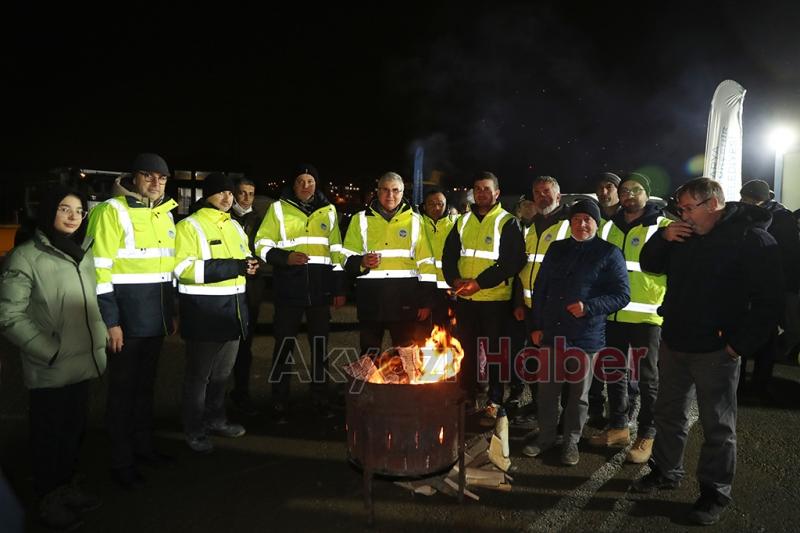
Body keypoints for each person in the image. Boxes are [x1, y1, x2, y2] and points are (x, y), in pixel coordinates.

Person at [632, 177, 783, 526]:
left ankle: (714, 493)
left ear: (713, 203)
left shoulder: (752, 239)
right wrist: (662, 237)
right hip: (675, 342)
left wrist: (737, 345)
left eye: (688, 208)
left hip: (716, 349)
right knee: (668, 413)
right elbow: (650, 264)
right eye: (680, 209)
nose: (681, 215)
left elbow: (770, 302)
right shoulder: (682, 234)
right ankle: (666, 471)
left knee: (718, 426)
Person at [0, 187, 107, 529]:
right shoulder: (26, 256)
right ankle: (49, 498)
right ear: (48, 213)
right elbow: (8, 315)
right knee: (49, 438)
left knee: (73, 432)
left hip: (82, 363)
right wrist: (49, 350)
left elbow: (91, 303)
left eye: (78, 210)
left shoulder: (83, 253)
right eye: (65, 209)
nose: (74, 216)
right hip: (51, 367)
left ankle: (67, 486)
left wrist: (101, 334)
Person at [86, 153, 178, 488]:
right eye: (148, 176)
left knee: (144, 390)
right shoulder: (111, 211)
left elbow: (167, 271)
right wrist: (111, 321)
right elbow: (100, 271)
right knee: (122, 394)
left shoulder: (164, 214)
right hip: (125, 323)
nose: (156, 184)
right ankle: (120, 463)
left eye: (162, 178)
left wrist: (171, 314)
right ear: (133, 178)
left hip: (154, 321)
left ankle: (144, 449)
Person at [521, 200, 630, 465]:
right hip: (552, 335)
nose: (582, 224)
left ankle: (571, 441)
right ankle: (546, 437)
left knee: (579, 396)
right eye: (577, 219)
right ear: (570, 223)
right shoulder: (557, 249)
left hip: (586, 336)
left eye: (588, 219)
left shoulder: (609, 253)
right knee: (547, 392)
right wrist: (536, 328)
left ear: (596, 223)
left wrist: (589, 307)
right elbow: (541, 289)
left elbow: (622, 295)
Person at [254, 164, 346, 424]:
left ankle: (320, 398)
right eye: (301, 181)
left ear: (317, 185)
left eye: (310, 181)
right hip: (289, 290)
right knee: (284, 348)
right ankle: (279, 401)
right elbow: (261, 244)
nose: (306, 186)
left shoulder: (329, 211)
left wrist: (338, 289)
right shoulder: (278, 209)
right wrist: (285, 258)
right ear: (293, 185)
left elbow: (337, 252)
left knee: (320, 350)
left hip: (319, 292)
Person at [174, 173, 258, 453]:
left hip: (232, 314)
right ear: (206, 195)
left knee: (222, 375)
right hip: (204, 315)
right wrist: (234, 266)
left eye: (230, 193)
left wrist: (249, 266)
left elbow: (242, 261)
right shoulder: (189, 226)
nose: (227, 197)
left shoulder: (234, 225)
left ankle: (216, 419)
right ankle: (194, 429)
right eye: (221, 192)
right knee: (198, 378)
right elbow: (183, 269)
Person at [590, 173, 671, 463]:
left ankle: (647, 434)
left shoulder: (664, 227)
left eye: (636, 190)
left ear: (647, 195)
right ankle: (619, 427)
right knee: (614, 372)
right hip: (612, 315)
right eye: (624, 191)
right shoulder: (609, 227)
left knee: (648, 379)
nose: (629, 194)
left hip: (648, 317)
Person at [442, 172, 526, 419]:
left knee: (494, 353)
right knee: (466, 349)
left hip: (494, 300)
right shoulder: (462, 221)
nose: (481, 193)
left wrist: (479, 283)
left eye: (487, 189)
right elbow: (448, 256)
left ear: (497, 193)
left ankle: (495, 399)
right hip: (466, 300)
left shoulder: (507, 222)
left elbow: (512, 261)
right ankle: (467, 394)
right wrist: (454, 280)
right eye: (477, 189)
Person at [342, 172, 437, 358]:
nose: (390, 195)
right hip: (371, 299)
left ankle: (402, 388)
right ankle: (370, 387)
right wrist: (361, 261)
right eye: (385, 190)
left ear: (403, 193)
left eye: (395, 190)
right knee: (369, 356)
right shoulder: (359, 219)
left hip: (404, 299)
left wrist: (426, 302)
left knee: (405, 354)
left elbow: (426, 263)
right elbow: (345, 257)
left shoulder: (415, 221)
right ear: (377, 191)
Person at [512, 176, 571, 414]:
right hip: (530, 308)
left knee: (562, 364)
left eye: (546, 191)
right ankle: (539, 406)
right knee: (535, 360)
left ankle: (563, 414)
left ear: (558, 196)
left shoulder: (569, 225)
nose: (541, 196)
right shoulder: (529, 227)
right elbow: (521, 268)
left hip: (558, 310)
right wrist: (518, 302)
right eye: (537, 192)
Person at [739, 178, 800, 401]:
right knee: (745, 329)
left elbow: (790, 256)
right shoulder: (747, 214)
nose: (744, 202)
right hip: (748, 285)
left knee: (767, 334)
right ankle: (741, 383)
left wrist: (787, 288)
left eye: (747, 199)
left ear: (758, 199)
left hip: (773, 286)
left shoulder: (782, 219)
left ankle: (760, 383)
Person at [229, 177, 268, 415]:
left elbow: (265, 250)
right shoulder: (225, 218)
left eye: (250, 193)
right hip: (227, 286)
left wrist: (259, 264)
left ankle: (241, 392)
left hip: (252, 287)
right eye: (242, 193)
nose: (246, 198)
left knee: (246, 343)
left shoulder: (260, 221)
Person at [420, 187, 459, 328]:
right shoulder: (416, 224)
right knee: (425, 335)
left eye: (440, 203)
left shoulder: (458, 224)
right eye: (431, 203)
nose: (436, 207)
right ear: (424, 205)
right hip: (424, 289)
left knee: (451, 334)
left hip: (452, 289)